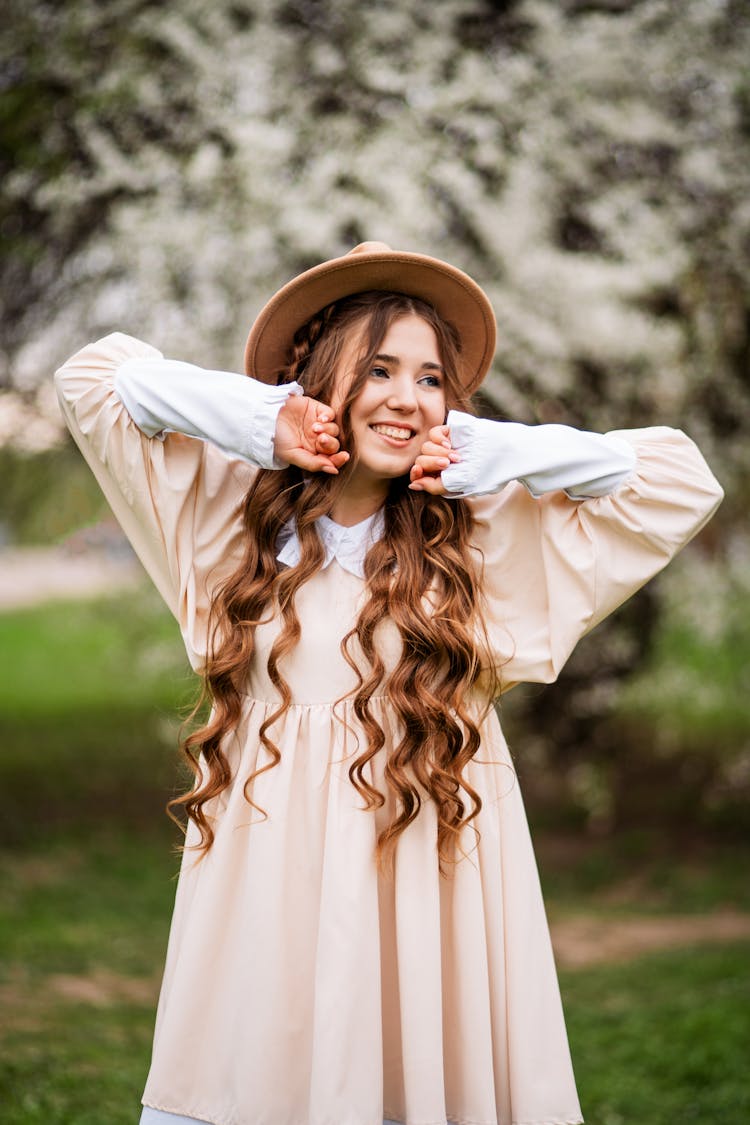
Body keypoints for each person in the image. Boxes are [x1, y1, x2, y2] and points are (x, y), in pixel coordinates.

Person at [55, 241, 723, 1125]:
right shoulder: (224, 519)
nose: (408, 397)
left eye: (432, 378)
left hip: (427, 883)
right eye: (378, 369)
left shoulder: (481, 542)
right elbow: (93, 377)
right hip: (267, 883)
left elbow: (680, 480)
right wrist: (267, 423)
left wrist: (506, 452)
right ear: (323, 377)